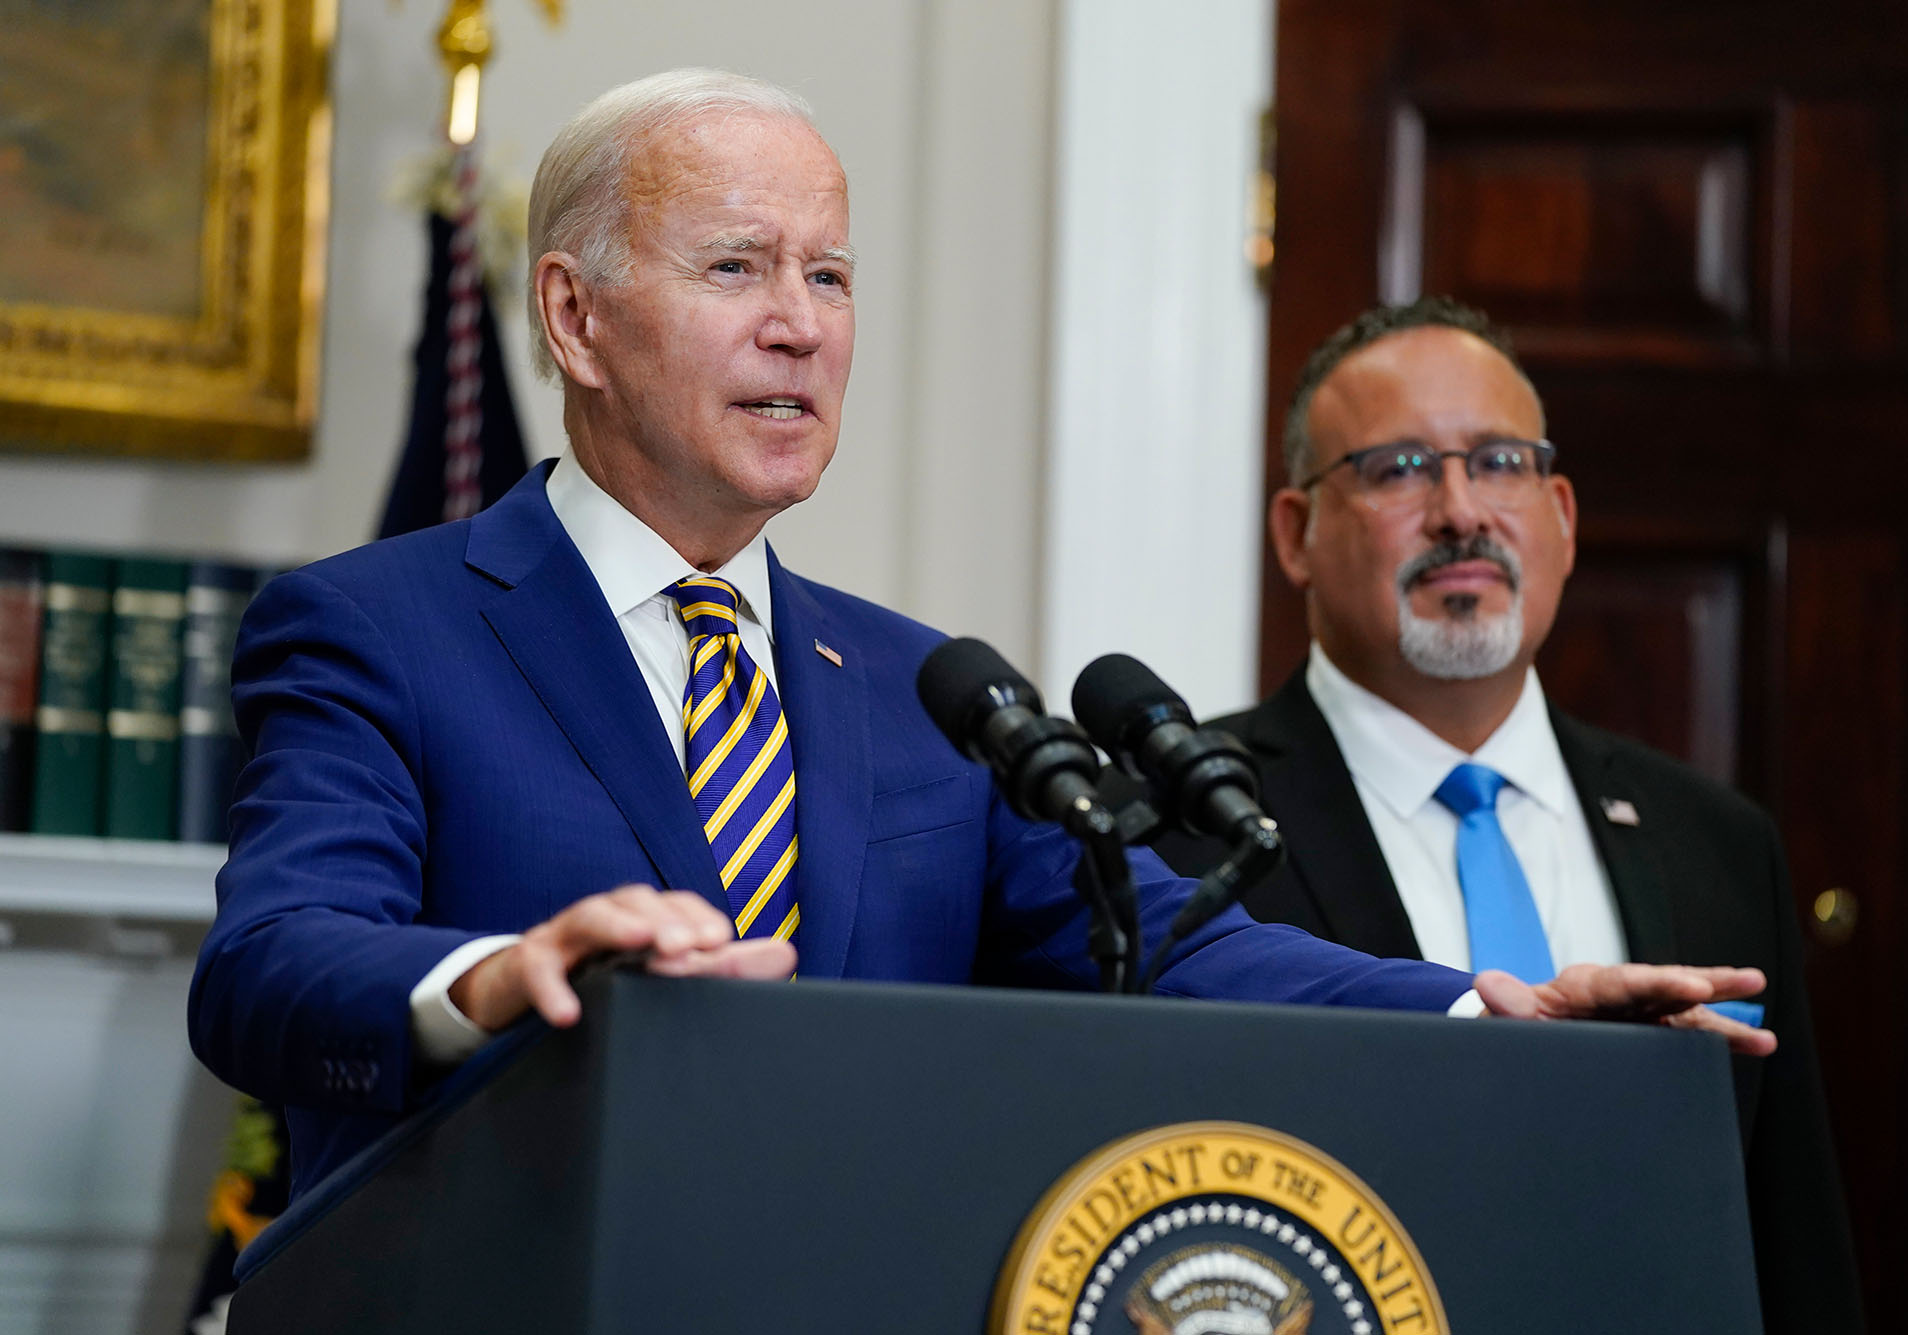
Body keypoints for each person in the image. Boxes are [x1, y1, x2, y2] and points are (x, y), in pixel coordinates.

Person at [186, 75, 1772, 1206]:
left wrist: (1488, 1005)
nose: (800, 322)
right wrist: (496, 975)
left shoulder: (918, 686)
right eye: (735, 267)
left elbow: (1169, 942)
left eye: (829, 274)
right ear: (575, 317)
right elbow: (268, 966)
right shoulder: (377, 628)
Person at [1147, 297, 1861, 1335]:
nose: (1459, 512)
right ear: (1295, 536)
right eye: (1396, 467)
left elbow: (1789, 1248)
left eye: (1499, 463)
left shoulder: (1711, 841)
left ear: (1561, 519)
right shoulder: (1175, 828)